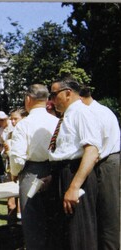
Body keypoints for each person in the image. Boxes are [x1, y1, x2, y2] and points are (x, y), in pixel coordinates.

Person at [49, 77, 101, 250]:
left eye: (54, 94)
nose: (51, 100)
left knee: (79, 234)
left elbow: (91, 151)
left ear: (68, 93)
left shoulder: (81, 113)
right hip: (63, 174)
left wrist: (74, 186)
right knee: (66, 235)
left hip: (75, 174)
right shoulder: (67, 116)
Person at [9, 84, 59, 249]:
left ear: (28, 99)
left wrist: (14, 173)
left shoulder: (24, 125)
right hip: (56, 173)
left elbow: (17, 157)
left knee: (32, 223)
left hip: (32, 173)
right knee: (53, 222)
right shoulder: (57, 122)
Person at [80, 85, 120, 250]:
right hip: (105, 161)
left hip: (106, 164)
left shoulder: (94, 114)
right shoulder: (102, 110)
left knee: (109, 216)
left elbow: (94, 149)